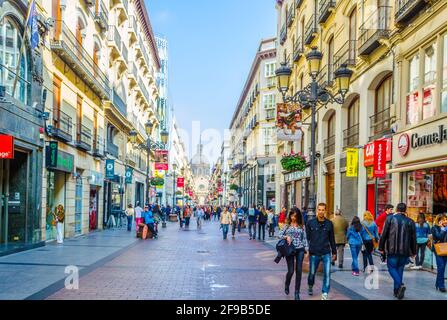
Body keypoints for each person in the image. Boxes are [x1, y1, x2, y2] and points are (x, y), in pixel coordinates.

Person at [378, 203, 416, 300]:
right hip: (404, 251)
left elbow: (384, 234)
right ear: (405, 210)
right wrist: (414, 252)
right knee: (400, 270)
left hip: (392, 250)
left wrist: (381, 248)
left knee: (391, 268)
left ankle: (400, 284)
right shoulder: (410, 221)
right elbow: (413, 238)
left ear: (397, 209)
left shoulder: (390, 219)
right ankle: (396, 291)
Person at [306, 203, 337, 300]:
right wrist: (307, 250)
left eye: (323, 210)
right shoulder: (310, 223)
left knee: (327, 274)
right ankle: (310, 285)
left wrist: (334, 252)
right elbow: (307, 238)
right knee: (311, 273)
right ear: (317, 211)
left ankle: (324, 293)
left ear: (325, 211)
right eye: (319, 209)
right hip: (314, 253)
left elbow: (332, 239)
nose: (321, 212)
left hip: (326, 252)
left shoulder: (329, 224)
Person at [278, 208, 308, 300]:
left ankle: (296, 293)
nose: (293, 218)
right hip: (290, 249)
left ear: (298, 216)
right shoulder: (287, 225)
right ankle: (287, 284)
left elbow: (304, 238)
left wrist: (306, 248)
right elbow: (279, 235)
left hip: (300, 249)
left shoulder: (302, 226)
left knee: (299, 271)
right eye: (292, 216)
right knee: (291, 271)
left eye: (295, 216)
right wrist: (286, 236)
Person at [431, 214, 447, 292]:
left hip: (446, 249)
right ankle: (441, 285)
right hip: (439, 249)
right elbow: (439, 237)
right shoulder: (434, 228)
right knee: (441, 267)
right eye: (444, 219)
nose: (445, 221)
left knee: (443, 267)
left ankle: (438, 283)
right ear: (439, 220)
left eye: (446, 219)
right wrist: (442, 229)